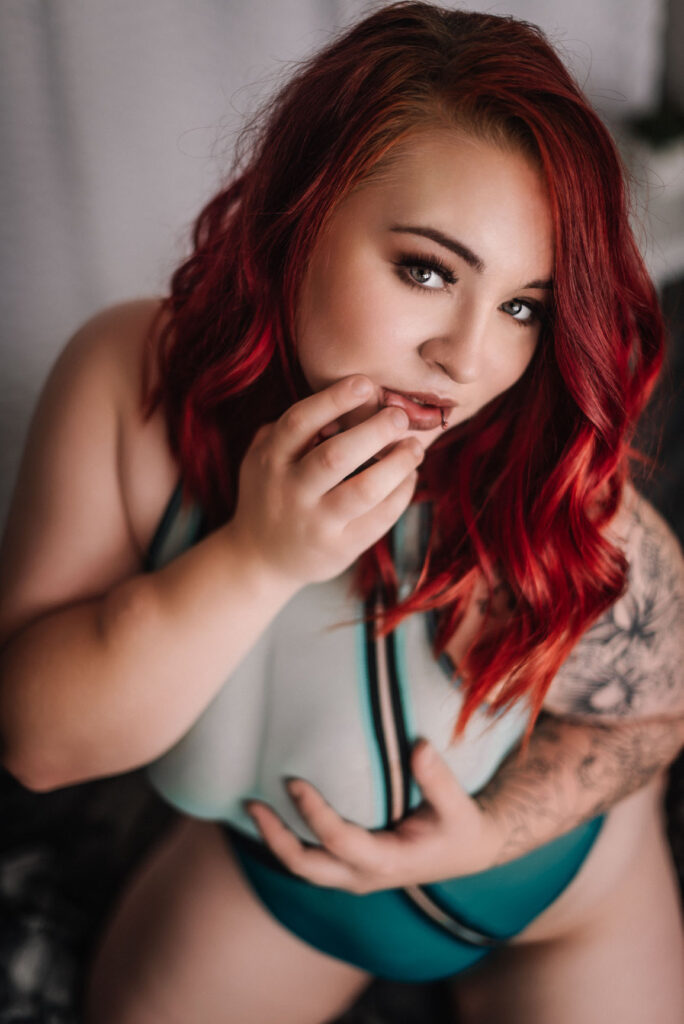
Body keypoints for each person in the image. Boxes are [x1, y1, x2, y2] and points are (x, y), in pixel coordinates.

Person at [0, 3, 682, 1021]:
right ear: (303, 211)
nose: (466, 359)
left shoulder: (542, 450)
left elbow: (655, 714)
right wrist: (256, 559)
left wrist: (489, 836)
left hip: (568, 891)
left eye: (522, 307)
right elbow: (37, 743)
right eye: (426, 270)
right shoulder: (133, 381)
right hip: (288, 891)